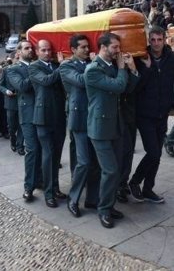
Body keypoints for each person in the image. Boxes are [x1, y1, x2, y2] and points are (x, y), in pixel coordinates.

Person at [84, 32, 139, 229]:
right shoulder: (92, 69)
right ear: (103, 47)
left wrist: (132, 70)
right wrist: (123, 69)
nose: (118, 50)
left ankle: (108, 205)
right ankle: (104, 210)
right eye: (115, 47)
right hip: (99, 128)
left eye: (118, 47)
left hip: (116, 124)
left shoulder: (113, 66)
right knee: (110, 170)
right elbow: (117, 86)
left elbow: (127, 88)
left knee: (117, 169)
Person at [129, 27, 174, 204]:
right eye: (153, 40)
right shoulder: (140, 58)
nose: (156, 43)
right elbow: (135, 87)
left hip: (163, 112)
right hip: (144, 113)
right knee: (154, 152)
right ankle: (135, 181)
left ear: (165, 40)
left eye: (159, 40)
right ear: (149, 40)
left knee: (157, 155)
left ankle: (148, 189)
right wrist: (146, 69)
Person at [58, 34, 100, 218]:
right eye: (82, 47)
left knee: (96, 162)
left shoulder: (90, 64)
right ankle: (73, 199)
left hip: (96, 117)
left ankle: (93, 199)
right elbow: (83, 81)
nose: (86, 49)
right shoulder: (66, 66)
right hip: (80, 118)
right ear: (73, 50)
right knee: (83, 162)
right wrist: (95, 64)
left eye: (87, 46)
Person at [28, 40, 67, 208]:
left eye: (49, 50)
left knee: (56, 155)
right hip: (43, 118)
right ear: (37, 52)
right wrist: (62, 67)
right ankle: (48, 193)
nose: (47, 53)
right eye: (43, 50)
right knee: (48, 155)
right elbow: (46, 81)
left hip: (58, 116)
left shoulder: (56, 65)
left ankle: (55, 188)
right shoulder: (34, 67)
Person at [7, 41, 41, 202]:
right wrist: (35, 73)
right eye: (26, 48)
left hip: (44, 112)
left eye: (31, 47)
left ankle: (43, 181)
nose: (30, 50)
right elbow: (21, 86)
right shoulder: (13, 69)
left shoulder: (38, 65)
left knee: (45, 150)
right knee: (32, 150)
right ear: (19, 52)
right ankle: (29, 187)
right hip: (28, 115)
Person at [0, 57, 23, 154]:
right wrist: (6, 91)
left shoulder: (23, 68)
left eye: (18, 58)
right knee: (12, 126)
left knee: (22, 125)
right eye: (16, 58)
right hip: (10, 102)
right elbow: (0, 85)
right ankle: (13, 141)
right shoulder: (6, 69)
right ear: (12, 59)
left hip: (22, 101)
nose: (17, 60)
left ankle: (20, 145)